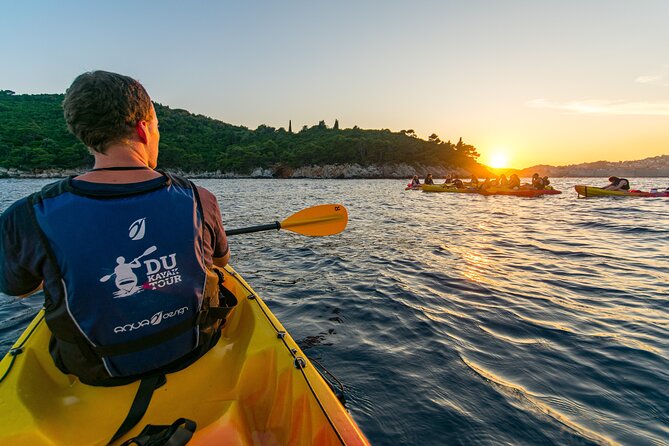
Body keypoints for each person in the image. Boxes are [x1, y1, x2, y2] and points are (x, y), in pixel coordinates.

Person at [0, 71, 231, 386]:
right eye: (158, 126)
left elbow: (21, 288)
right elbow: (219, 263)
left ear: (84, 134)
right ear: (143, 128)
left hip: (92, 371)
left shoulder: (26, 216)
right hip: (195, 350)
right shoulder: (200, 199)